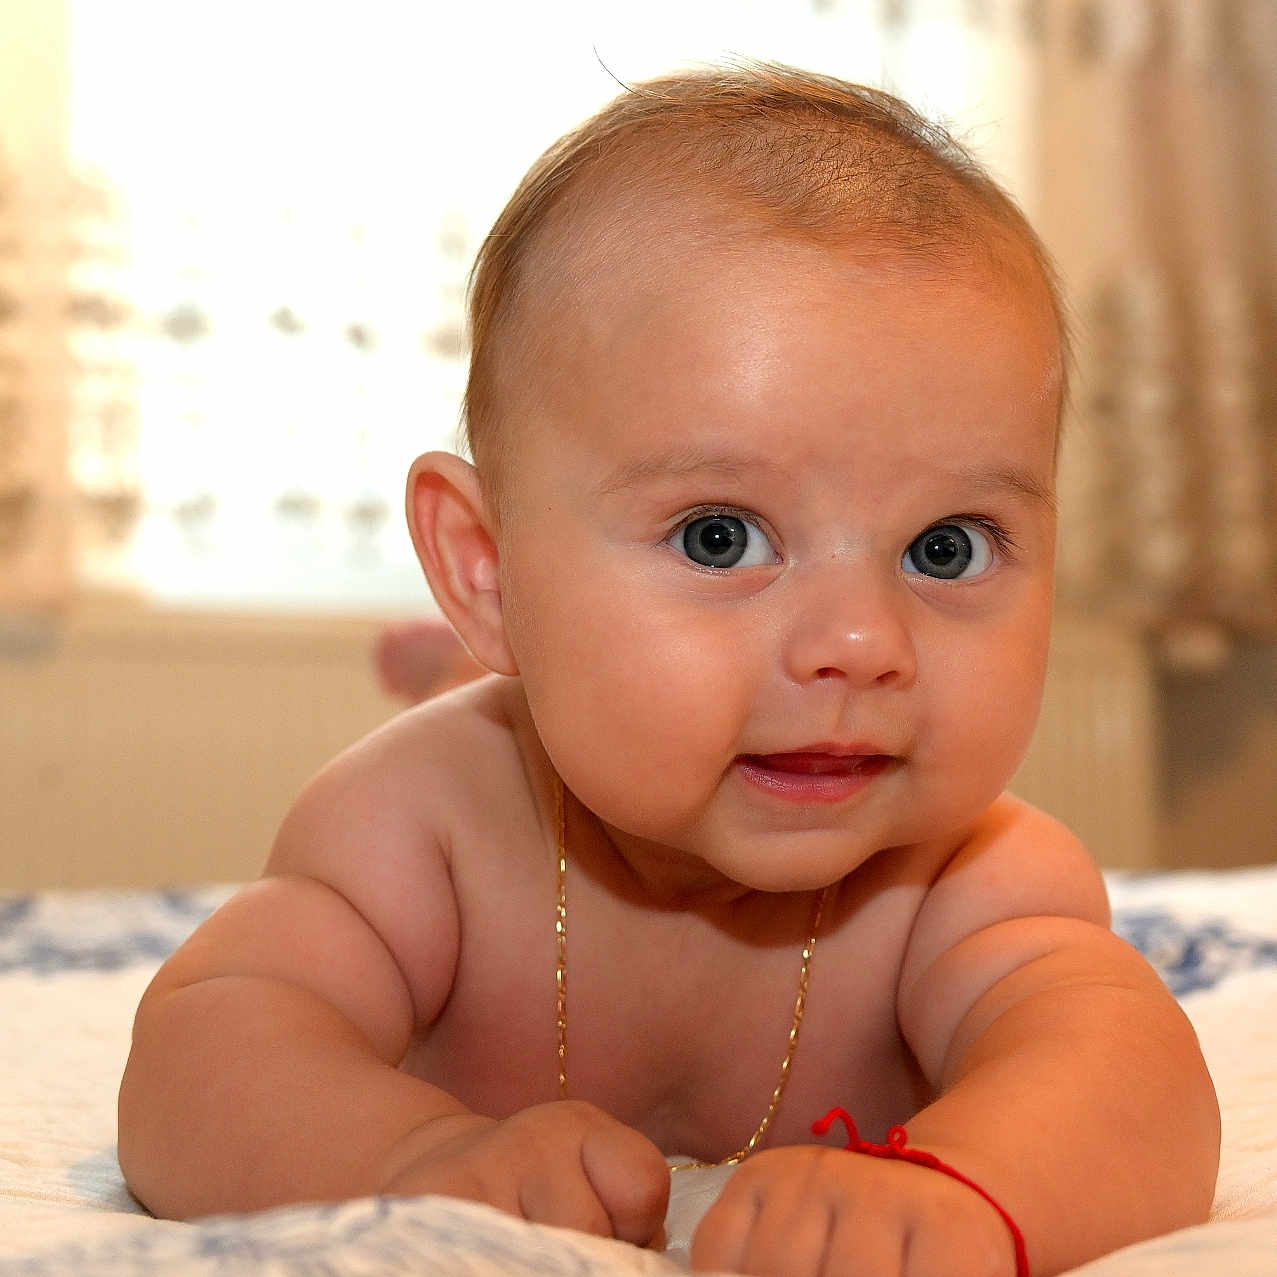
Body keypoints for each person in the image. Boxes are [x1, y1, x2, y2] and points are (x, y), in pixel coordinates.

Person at [118, 62, 1219, 1276]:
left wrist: (964, 1188)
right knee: (487, 723)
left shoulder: (970, 877)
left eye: (942, 549)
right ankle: (469, 669)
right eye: (719, 537)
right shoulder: (419, 827)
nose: (859, 642)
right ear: (485, 566)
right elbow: (203, 1049)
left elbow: (1130, 1077)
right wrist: (409, 1155)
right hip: (495, 718)